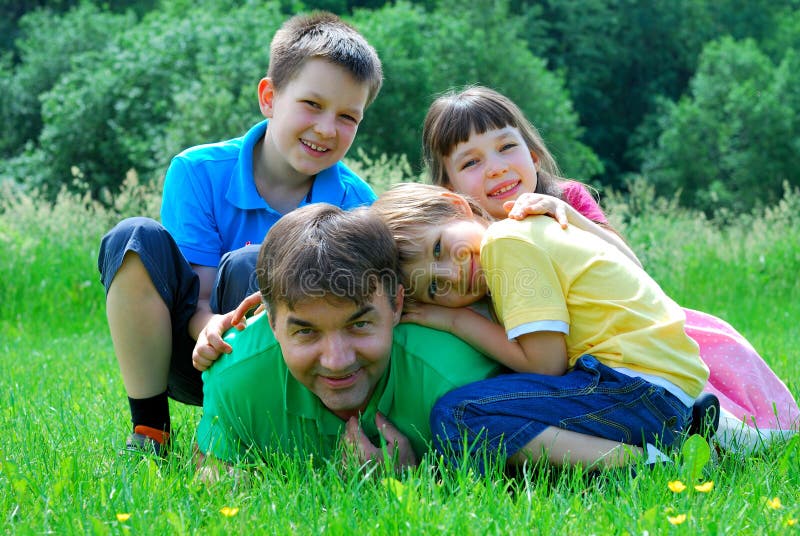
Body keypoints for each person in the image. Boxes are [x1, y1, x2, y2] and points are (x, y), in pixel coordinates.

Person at [418, 85, 798, 450]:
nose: (496, 168)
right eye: (471, 162)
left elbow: (634, 269)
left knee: (464, 413)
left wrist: (570, 216)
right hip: (628, 364)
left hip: (622, 363)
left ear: (533, 156)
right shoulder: (469, 253)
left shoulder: (540, 218)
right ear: (449, 191)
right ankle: (699, 428)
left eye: (506, 147)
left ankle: (665, 450)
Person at [97, 12, 383, 456]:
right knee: (133, 240)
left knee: (259, 262)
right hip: (194, 348)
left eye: (348, 116)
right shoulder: (197, 171)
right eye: (312, 104)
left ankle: (269, 431)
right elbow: (201, 295)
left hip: (292, 362)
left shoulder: (358, 202)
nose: (327, 129)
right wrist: (212, 326)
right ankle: (150, 432)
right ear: (269, 97)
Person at [372, 182, 710, 470]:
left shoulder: (503, 244)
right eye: (433, 287)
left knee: (459, 415)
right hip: (659, 386)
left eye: (439, 248)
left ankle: (639, 464)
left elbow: (547, 366)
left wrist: (456, 320)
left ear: (456, 206)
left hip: (635, 389)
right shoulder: (524, 235)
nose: (452, 274)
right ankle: (689, 428)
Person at [194, 203, 504, 471]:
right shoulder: (235, 375)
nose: (337, 360)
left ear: (397, 305)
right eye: (305, 331)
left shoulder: (457, 381)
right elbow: (214, 479)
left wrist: (421, 481)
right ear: (272, 323)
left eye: (359, 325)